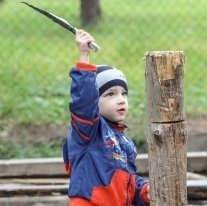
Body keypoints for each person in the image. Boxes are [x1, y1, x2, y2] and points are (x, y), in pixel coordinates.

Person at [62, 29, 150, 206]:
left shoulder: (124, 142)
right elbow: (83, 101)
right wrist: (84, 55)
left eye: (123, 94)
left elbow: (127, 184)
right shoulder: (89, 131)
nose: (120, 100)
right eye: (110, 94)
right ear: (95, 100)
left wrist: (145, 191)